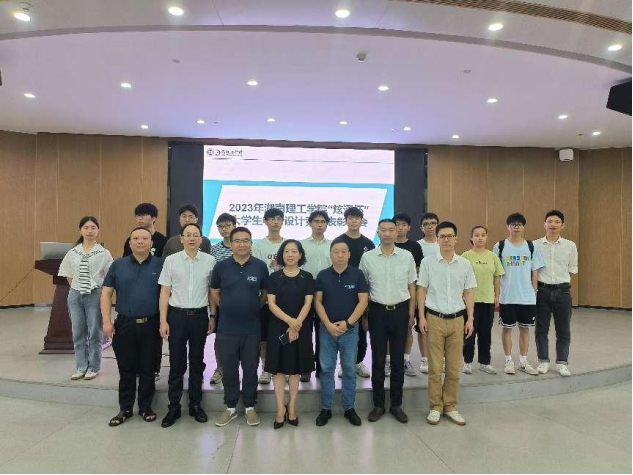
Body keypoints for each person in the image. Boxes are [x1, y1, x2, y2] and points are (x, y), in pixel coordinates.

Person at [101, 227, 164, 427]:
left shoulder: (161, 264)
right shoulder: (118, 265)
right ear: (130, 243)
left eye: (144, 238)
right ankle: (125, 408)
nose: (140, 241)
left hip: (151, 324)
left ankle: (145, 407)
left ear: (151, 243)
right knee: (126, 368)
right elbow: (106, 294)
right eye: (135, 238)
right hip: (125, 324)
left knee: (148, 368)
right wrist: (106, 321)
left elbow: (167, 294)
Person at [417, 221, 476, 426]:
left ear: (456, 239)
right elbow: (422, 290)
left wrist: (470, 319)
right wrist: (421, 317)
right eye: (442, 236)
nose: (446, 240)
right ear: (437, 239)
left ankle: (450, 406)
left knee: (453, 367)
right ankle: (435, 406)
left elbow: (469, 292)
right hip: (434, 318)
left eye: (450, 236)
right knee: (434, 367)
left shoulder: (465, 264)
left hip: (458, 320)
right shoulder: (428, 263)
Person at [158, 223, 216, 428]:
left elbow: (211, 292)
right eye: (188, 235)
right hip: (176, 316)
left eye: (195, 235)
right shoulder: (171, 261)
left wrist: (212, 316)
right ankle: (173, 407)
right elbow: (165, 292)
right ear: (181, 239)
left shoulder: (210, 261)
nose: (192, 238)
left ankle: (195, 405)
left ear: (201, 239)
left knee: (197, 361)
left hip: (200, 316)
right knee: (176, 363)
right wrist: (163, 320)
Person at [360, 219, 417, 424]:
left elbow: (412, 286)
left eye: (391, 230)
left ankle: (396, 404)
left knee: (397, 361)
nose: (387, 233)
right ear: (378, 232)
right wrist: (365, 315)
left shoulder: (406, 256)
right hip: (376, 311)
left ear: (397, 232)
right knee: (377, 360)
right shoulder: (367, 257)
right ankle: (378, 405)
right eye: (383, 230)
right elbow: (363, 289)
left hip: (400, 311)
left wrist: (411, 313)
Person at [211, 227, 269, 428]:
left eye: (246, 240)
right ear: (231, 244)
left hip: (252, 327)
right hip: (227, 327)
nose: (242, 244)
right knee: (229, 368)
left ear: (251, 243)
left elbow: (264, 293)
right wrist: (226, 306)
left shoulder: (260, 266)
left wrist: (253, 307)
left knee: (251, 368)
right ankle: (230, 406)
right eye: (237, 241)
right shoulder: (221, 266)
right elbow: (214, 291)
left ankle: (250, 406)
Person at [315, 238, 368, 427]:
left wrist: (348, 323)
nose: (339, 255)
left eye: (343, 251)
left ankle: (349, 408)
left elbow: (363, 301)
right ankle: (326, 408)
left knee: (349, 369)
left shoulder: (357, 274)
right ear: (330, 254)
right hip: (326, 330)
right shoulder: (322, 275)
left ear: (349, 255)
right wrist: (328, 324)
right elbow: (317, 302)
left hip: (350, 331)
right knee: (327, 369)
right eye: (336, 251)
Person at [266, 240, 315, 429]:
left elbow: (308, 303)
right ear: (281, 255)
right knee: (277, 369)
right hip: (278, 327)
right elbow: (271, 304)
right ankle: (280, 408)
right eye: (286, 251)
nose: (290, 255)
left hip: (301, 327)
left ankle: (292, 407)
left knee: (296, 369)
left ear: (300, 255)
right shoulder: (274, 277)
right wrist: (290, 322)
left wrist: (296, 326)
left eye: (294, 251)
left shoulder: (307, 277)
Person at [59, 216, 113, 381]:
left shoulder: (103, 253)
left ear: (98, 230)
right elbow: (68, 275)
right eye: (86, 228)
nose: (90, 231)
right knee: (78, 332)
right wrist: (78, 288)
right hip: (75, 294)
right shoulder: (73, 252)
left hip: (95, 294)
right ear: (80, 230)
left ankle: (94, 366)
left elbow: (109, 276)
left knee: (94, 332)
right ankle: (81, 366)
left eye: (93, 228)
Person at [493, 213, 545, 376]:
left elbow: (535, 271)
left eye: (519, 224)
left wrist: (534, 291)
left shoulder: (531, 246)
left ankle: (523, 361)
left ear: (523, 227)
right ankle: (508, 360)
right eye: (513, 224)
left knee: (525, 329)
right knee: (507, 329)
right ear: (508, 227)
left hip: (527, 297)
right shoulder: (500, 246)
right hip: (508, 296)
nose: (516, 227)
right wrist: (497, 294)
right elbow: (496, 273)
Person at [535, 210, 579, 377]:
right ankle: (543, 360)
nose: (553, 224)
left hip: (562, 291)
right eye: (550, 221)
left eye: (557, 222)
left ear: (562, 225)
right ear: (544, 224)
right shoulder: (535, 245)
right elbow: (533, 270)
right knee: (541, 328)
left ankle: (562, 362)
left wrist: (563, 287)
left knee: (563, 329)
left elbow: (572, 270)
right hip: (542, 291)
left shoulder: (570, 246)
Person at [336, 206, 375, 379]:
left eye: (357, 218)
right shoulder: (339, 241)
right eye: (350, 218)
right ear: (345, 220)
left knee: (361, 329)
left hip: (362, 293)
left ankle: (358, 361)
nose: (353, 221)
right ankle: (345, 363)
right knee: (344, 327)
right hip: (342, 292)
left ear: (361, 221)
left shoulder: (368, 243)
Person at [461, 226, 505, 375]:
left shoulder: (493, 256)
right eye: (477, 235)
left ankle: (484, 362)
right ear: (471, 238)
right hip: (470, 302)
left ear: (486, 237)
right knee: (469, 333)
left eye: (483, 235)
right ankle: (467, 362)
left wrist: (497, 296)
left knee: (485, 333)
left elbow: (497, 277)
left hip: (488, 301)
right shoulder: (465, 256)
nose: (480, 237)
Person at [386, 212, 424, 378]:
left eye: (403, 224)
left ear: (409, 227)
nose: (400, 228)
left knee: (408, 328)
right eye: (397, 224)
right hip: (388, 295)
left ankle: (406, 359)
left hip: (408, 295)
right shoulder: (386, 245)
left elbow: (417, 274)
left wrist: (415, 298)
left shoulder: (414, 247)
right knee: (388, 331)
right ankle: (388, 361)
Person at [252, 208, 286, 385]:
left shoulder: (288, 244)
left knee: (284, 335)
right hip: (265, 298)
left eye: (279, 219)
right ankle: (266, 369)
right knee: (264, 337)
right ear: (265, 221)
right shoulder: (258, 246)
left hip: (286, 299)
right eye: (272, 219)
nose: (275, 222)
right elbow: (258, 272)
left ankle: (284, 368)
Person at [300, 210, 332, 382]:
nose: (320, 224)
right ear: (310, 223)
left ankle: (321, 367)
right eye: (316, 221)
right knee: (305, 331)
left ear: (327, 224)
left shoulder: (333, 245)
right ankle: (306, 368)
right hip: (305, 290)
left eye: (323, 221)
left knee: (323, 331)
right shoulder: (301, 245)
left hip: (327, 292)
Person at [209, 213, 237, 385]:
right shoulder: (214, 250)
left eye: (227, 225)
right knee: (220, 338)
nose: (224, 229)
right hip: (221, 300)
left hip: (243, 300)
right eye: (221, 226)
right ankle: (220, 368)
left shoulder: (245, 247)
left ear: (235, 226)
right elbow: (213, 282)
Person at [416, 212, 440, 374]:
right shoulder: (417, 245)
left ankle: (439, 358)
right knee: (423, 327)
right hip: (423, 291)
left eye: (433, 223)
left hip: (441, 292)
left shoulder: (444, 243)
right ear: (421, 228)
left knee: (439, 327)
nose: (430, 226)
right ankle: (424, 359)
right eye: (426, 224)